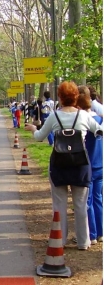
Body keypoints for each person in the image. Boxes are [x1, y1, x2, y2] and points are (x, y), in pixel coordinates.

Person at [25, 81, 102, 250]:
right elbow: (99, 131)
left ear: (59, 97)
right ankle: (83, 241)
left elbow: (39, 137)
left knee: (59, 205)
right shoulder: (83, 116)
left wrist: (32, 128)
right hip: (80, 165)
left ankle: (61, 239)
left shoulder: (54, 116)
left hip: (59, 165)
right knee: (81, 205)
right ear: (76, 97)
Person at [77, 86, 103, 245]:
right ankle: (101, 232)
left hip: (88, 164)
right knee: (98, 199)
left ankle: (91, 234)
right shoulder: (100, 118)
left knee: (87, 201)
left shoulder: (83, 120)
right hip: (100, 163)